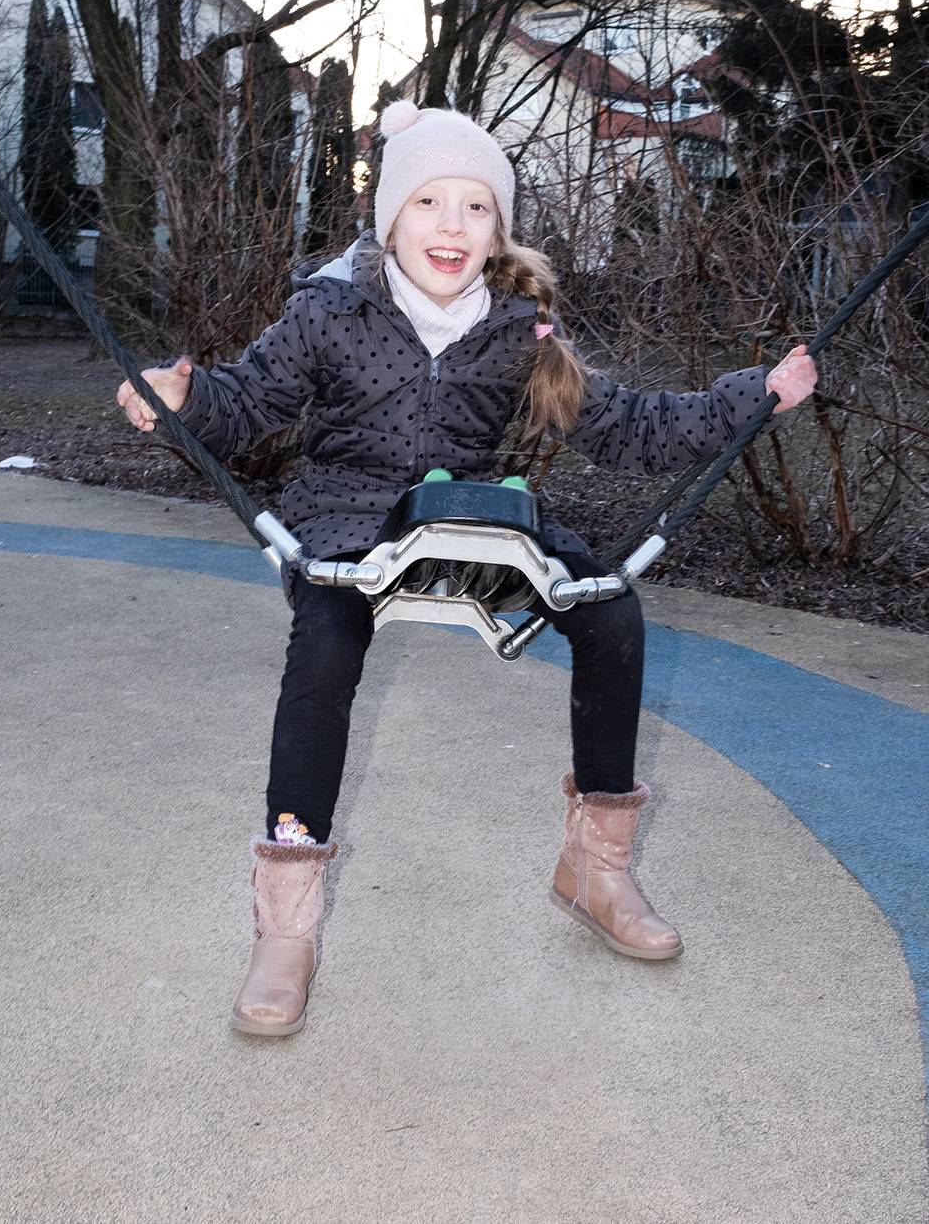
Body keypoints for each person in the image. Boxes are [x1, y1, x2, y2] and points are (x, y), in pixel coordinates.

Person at [116, 101, 818, 1037]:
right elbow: (245, 404)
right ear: (391, 220)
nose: (452, 225)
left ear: (498, 232)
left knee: (610, 610)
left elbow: (629, 426)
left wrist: (753, 398)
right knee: (325, 637)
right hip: (349, 513)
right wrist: (184, 401)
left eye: (476, 208)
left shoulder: (521, 334)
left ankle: (596, 869)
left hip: (477, 517)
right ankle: (286, 922)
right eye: (429, 203)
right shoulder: (328, 313)